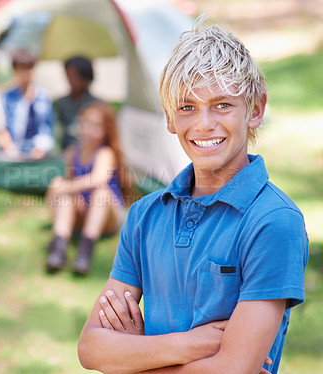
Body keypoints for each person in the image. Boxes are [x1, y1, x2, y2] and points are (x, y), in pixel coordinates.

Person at [77, 19, 309, 374]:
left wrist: (134, 359)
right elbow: (92, 348)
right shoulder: (144, 216)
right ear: (169, 117)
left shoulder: (274, 221)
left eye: (222, 105)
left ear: (256, 110)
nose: (203, 124)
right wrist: (184, 345)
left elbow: (233, 368)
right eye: (187, 107)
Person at [45, 101, 129, 275]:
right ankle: (58, 247)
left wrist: (63, 186)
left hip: (106, 214)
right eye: (85, 123)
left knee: (100, 193)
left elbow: (99, 179)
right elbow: (71, 185)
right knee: (66, 195)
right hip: (83, 210)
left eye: (95, 125)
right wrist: (60, 189)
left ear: (106, 130)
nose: (88, 129)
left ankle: (85, 251)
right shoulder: (72, 153)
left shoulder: (105, 153)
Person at [0, 50, 55, 159]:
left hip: (36, 152)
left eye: (29, 69)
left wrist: (41, 147)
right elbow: (1, 128)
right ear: (15, 71)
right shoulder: (6, 96)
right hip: (11, 151)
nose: (25, 74)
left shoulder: (43, 96)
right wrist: (10, 149)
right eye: (21, 70)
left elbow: (47, 128)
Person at [54, 56, 99, 150]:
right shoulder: (60, 104)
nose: (71, 80)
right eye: (68, 75)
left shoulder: (97, 105)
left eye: (75, 76)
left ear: (85, 77)